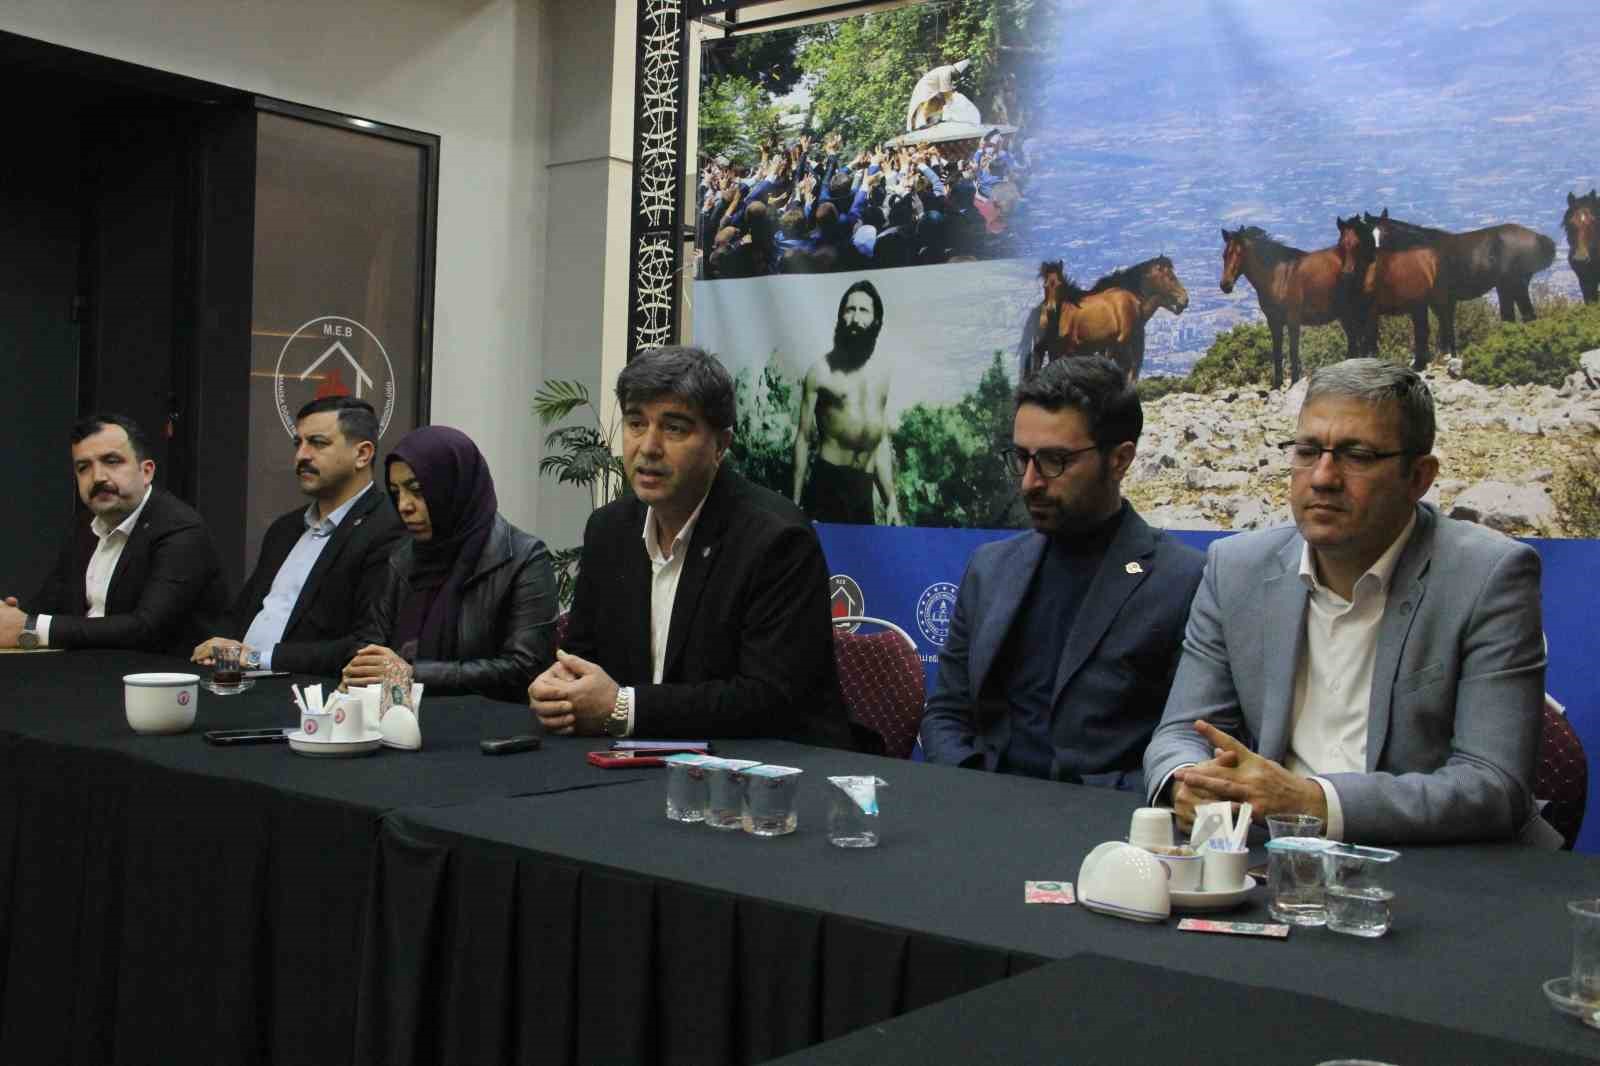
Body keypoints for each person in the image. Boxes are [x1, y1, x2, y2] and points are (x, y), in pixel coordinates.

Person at [1143, 359, 1553, 846]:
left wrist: (1315, 803)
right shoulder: (1235, 568)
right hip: (1275, 857)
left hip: (1434, 861)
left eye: (1356, 455)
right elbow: (1181, 734)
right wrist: (1187, 783)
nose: (1322, 477)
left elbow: (1494, 785)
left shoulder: (1488, 576)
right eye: (1307, 451)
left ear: (1419, 477)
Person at [530, 346, 853, 746]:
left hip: (768, 766)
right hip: (637, 760)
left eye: (674, 428)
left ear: (720, 446)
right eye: (636, 423)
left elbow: (767, 698)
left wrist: (624, 708)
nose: (648, 447)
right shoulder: (609, 530)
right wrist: (560, 689)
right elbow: (582, 657)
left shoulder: (777, 539)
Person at [920, 357, 1205, 791]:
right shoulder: (989, 569)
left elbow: (1187, 749)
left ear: (1120, 460)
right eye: (1022, 458)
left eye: (1055, 460)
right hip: (981, 806)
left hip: (1104, 820)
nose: (1030, 483)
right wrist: (973, 791)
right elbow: (946, 714)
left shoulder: (1182, 582)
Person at [191, 397, 405, 678]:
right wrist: (217, 648)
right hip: (235, 682)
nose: (302, 455)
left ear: (362, 454)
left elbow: (364, 645)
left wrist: (256, 659)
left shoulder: (387, 529)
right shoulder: (285, 529)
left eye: (318, 443)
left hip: (307, 694)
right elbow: (241, 615)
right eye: (298, 444)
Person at [341, 425, 556, 702]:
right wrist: (362, 671)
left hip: (487, 721)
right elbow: (370, 643)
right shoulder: (403, 558)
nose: (404, 505)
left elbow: (526, 669)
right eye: (396, 492)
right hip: (399, 716)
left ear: (456, 487)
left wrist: (412, 674)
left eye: (417, 490)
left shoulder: (523, 557)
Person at [0, 413, 228, 653]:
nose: (98, 477)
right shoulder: (86, 526)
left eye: (112, 461)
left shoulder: (180, 529)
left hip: (161, 672)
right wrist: (13, 616)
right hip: (86, 667)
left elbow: (147, 628)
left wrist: (30, 626)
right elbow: (49, 604)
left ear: (146, 472)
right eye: (84, 467)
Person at [792, 280, 901, 525]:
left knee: (863, 551)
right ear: (841, 316)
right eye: (850, 309)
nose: (855, 318)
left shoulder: (882, 374)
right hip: (828, 484)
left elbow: (879, 441)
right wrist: (794, 504)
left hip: (863, 489)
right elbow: (803, 438)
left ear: (876, 320)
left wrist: (891, 500)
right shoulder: (820, 372)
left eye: (864, 310)